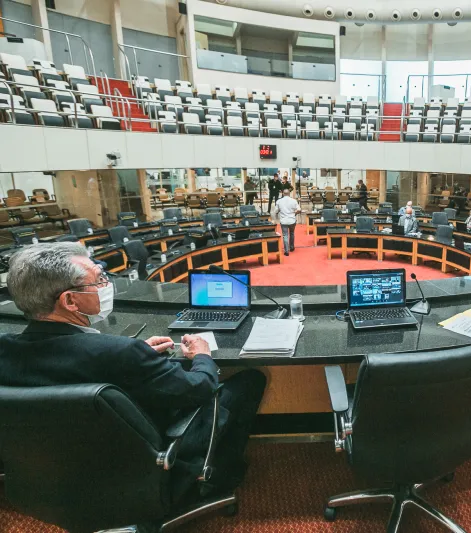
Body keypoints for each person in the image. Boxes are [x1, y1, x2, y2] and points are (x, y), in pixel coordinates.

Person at [0, 243, 267, 499]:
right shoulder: (120, 353)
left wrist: (138, 355)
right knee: (249, 381)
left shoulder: (5, 350)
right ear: (70, 300)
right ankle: (217, 478)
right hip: (141, 460)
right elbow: (199, 388)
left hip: (53, 471)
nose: (106, 285)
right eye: (98, 280)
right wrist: (202, 356)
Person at [275, 188, 301, 256]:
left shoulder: (279, 201)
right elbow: (299, 210)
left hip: (283, 221)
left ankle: (286, 251)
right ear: (289, 194)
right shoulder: (294, 201)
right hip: (292, 220)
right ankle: (292, 247)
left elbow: (276, 211)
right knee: (292, 233)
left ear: (283, 194)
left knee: (285, 235)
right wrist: (294, 213)